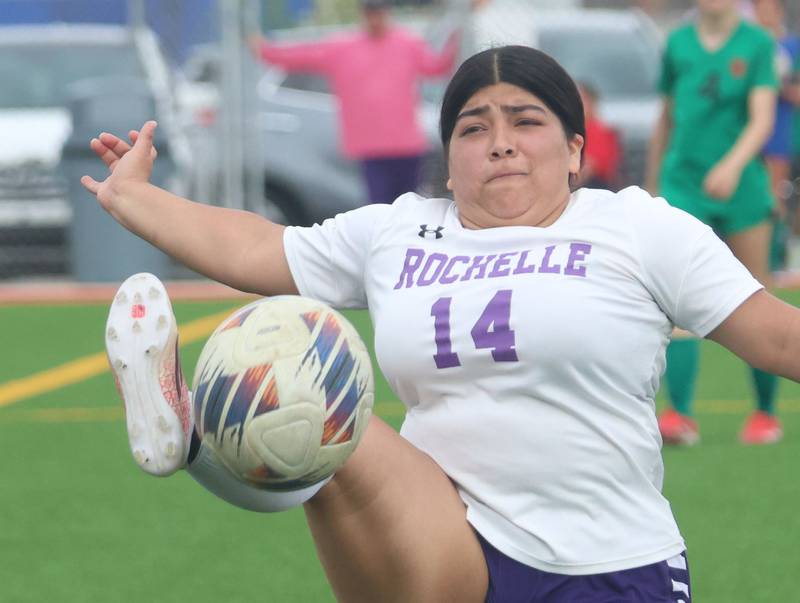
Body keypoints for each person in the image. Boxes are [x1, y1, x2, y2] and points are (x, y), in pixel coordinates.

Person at [82, 44, 800, 603]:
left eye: (527, 120)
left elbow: (777, 336)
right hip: (448, 540)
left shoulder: (635, 226)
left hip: (608, 563)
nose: (500, 142)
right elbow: (258, 247)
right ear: (449, 163)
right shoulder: (400, 232)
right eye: (473, 127)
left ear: (576, 150)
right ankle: (192, 431)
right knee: (317, 388)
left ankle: (197, 445)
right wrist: (135, 196)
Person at [645, 0, 781, 446]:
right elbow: (665, 118)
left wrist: (733, 165)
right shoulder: (677, 43)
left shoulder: (758, 43)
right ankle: (680, 415)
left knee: (757, 290)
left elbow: (762, 119)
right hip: (684, 183)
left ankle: (764, 414)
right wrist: (652, 187)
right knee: (677, 296)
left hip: (741, 187)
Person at [247, 0, 465, 206]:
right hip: (370, 144)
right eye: (371, 12)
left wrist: (459, 37)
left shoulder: (406, 42)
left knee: (409, 202)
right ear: (364, 14)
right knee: (379, 206)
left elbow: (436, 67)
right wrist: (264, 49)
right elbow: (302, 55)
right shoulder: (343, 47)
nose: (376, 19)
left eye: (379, 12)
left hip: (405, 142)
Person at [753, 0, 800, 228]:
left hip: (781, 131)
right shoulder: (749, 46)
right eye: (760, 10)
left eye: (769, 10)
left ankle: (779, 246)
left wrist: (779, 87)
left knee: (776, 197)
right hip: (750, 134)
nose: (764, 16)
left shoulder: (792, 47)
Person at [575, 81, 622, 190]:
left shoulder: (600, 131)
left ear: (592, 103)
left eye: (581, 99)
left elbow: (590, 168)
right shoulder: (568, 130)